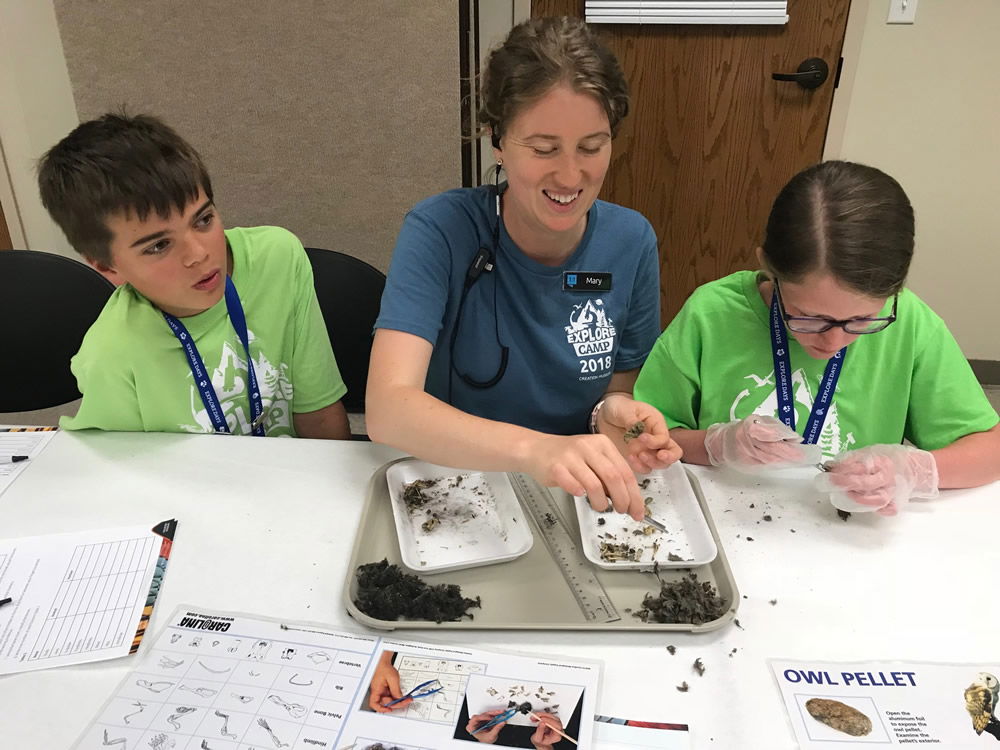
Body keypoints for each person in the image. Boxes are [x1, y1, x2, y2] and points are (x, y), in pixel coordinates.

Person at [366, 17, 681, 521]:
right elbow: (388, 409)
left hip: (573, 495)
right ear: (497, 140)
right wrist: (537, 451)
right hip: (455, 489)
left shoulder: (631, 240)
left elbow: (617, 390)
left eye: (592, 147)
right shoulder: (441, 229)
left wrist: (611, 417)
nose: (570, 175)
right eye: (543, 148)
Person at [634, 160, 1000, 515]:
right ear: (769, 267)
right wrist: (715, 445)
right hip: (726, 522)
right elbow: (642, 435)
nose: (834, 341)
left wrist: (914, 470)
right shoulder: (712, 314)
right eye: (810, 318)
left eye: (861, 320)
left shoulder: (910, 323)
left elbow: (990, 449)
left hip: (848, 538)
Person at [36, 113, 350, 439]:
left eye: (203, 220)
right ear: (106, 266)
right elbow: (123, 474)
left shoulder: (278, 259)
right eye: (159, 245)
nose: (199, 254)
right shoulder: (111, 355)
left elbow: (319, 411)